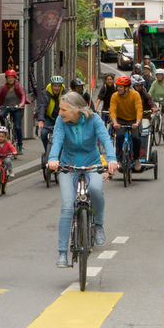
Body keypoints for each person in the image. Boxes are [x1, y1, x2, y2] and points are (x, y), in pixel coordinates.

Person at [47, 92, 118, 268]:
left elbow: (105, 138)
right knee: (67, 206)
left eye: (63, 110)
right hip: (68, 166)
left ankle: (98, 225)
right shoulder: (61, 121)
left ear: (76, 109)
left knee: (95, 189)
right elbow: (57, 140)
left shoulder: (94, 119)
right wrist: (53, 159)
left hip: (92, 164)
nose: (60, 113)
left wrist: (112, 159)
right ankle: (62, 253)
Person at [0, 69, 31, 155]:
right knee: (1, 115)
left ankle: (20, 145)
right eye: (9, 78)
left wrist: (21, 103)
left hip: (17, 108)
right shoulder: (3, 87)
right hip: (6, 107)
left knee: (17, 127)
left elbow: (23, 95)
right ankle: (4, 128)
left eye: (12, 78)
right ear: (6, 79)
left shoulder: (18, 87)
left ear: (15, 78)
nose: (10, 79)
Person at [109, 76, 144, 171]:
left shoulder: (135, 95)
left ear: (127, 88)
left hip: (134, 120)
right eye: (118, 86)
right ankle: (119, 160)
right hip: (120, 120)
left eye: (121, 87)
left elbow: (139, 109)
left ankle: (136, 159)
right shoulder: (115, 96)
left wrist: (137, 122)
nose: (118, 89)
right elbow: (112, 110)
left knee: (136, 137)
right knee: (119, 136)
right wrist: (115, 123)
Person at [38, 75, 67, 151]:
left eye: (59, 86)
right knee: (43, 133)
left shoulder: (65, 93)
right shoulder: (46, 93)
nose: (57, 88)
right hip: (49, 117)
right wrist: (40, 120)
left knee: (66, 135)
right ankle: (47, 150)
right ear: (51, 86)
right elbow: (42, 106)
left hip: (62, 118)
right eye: (55, 86)